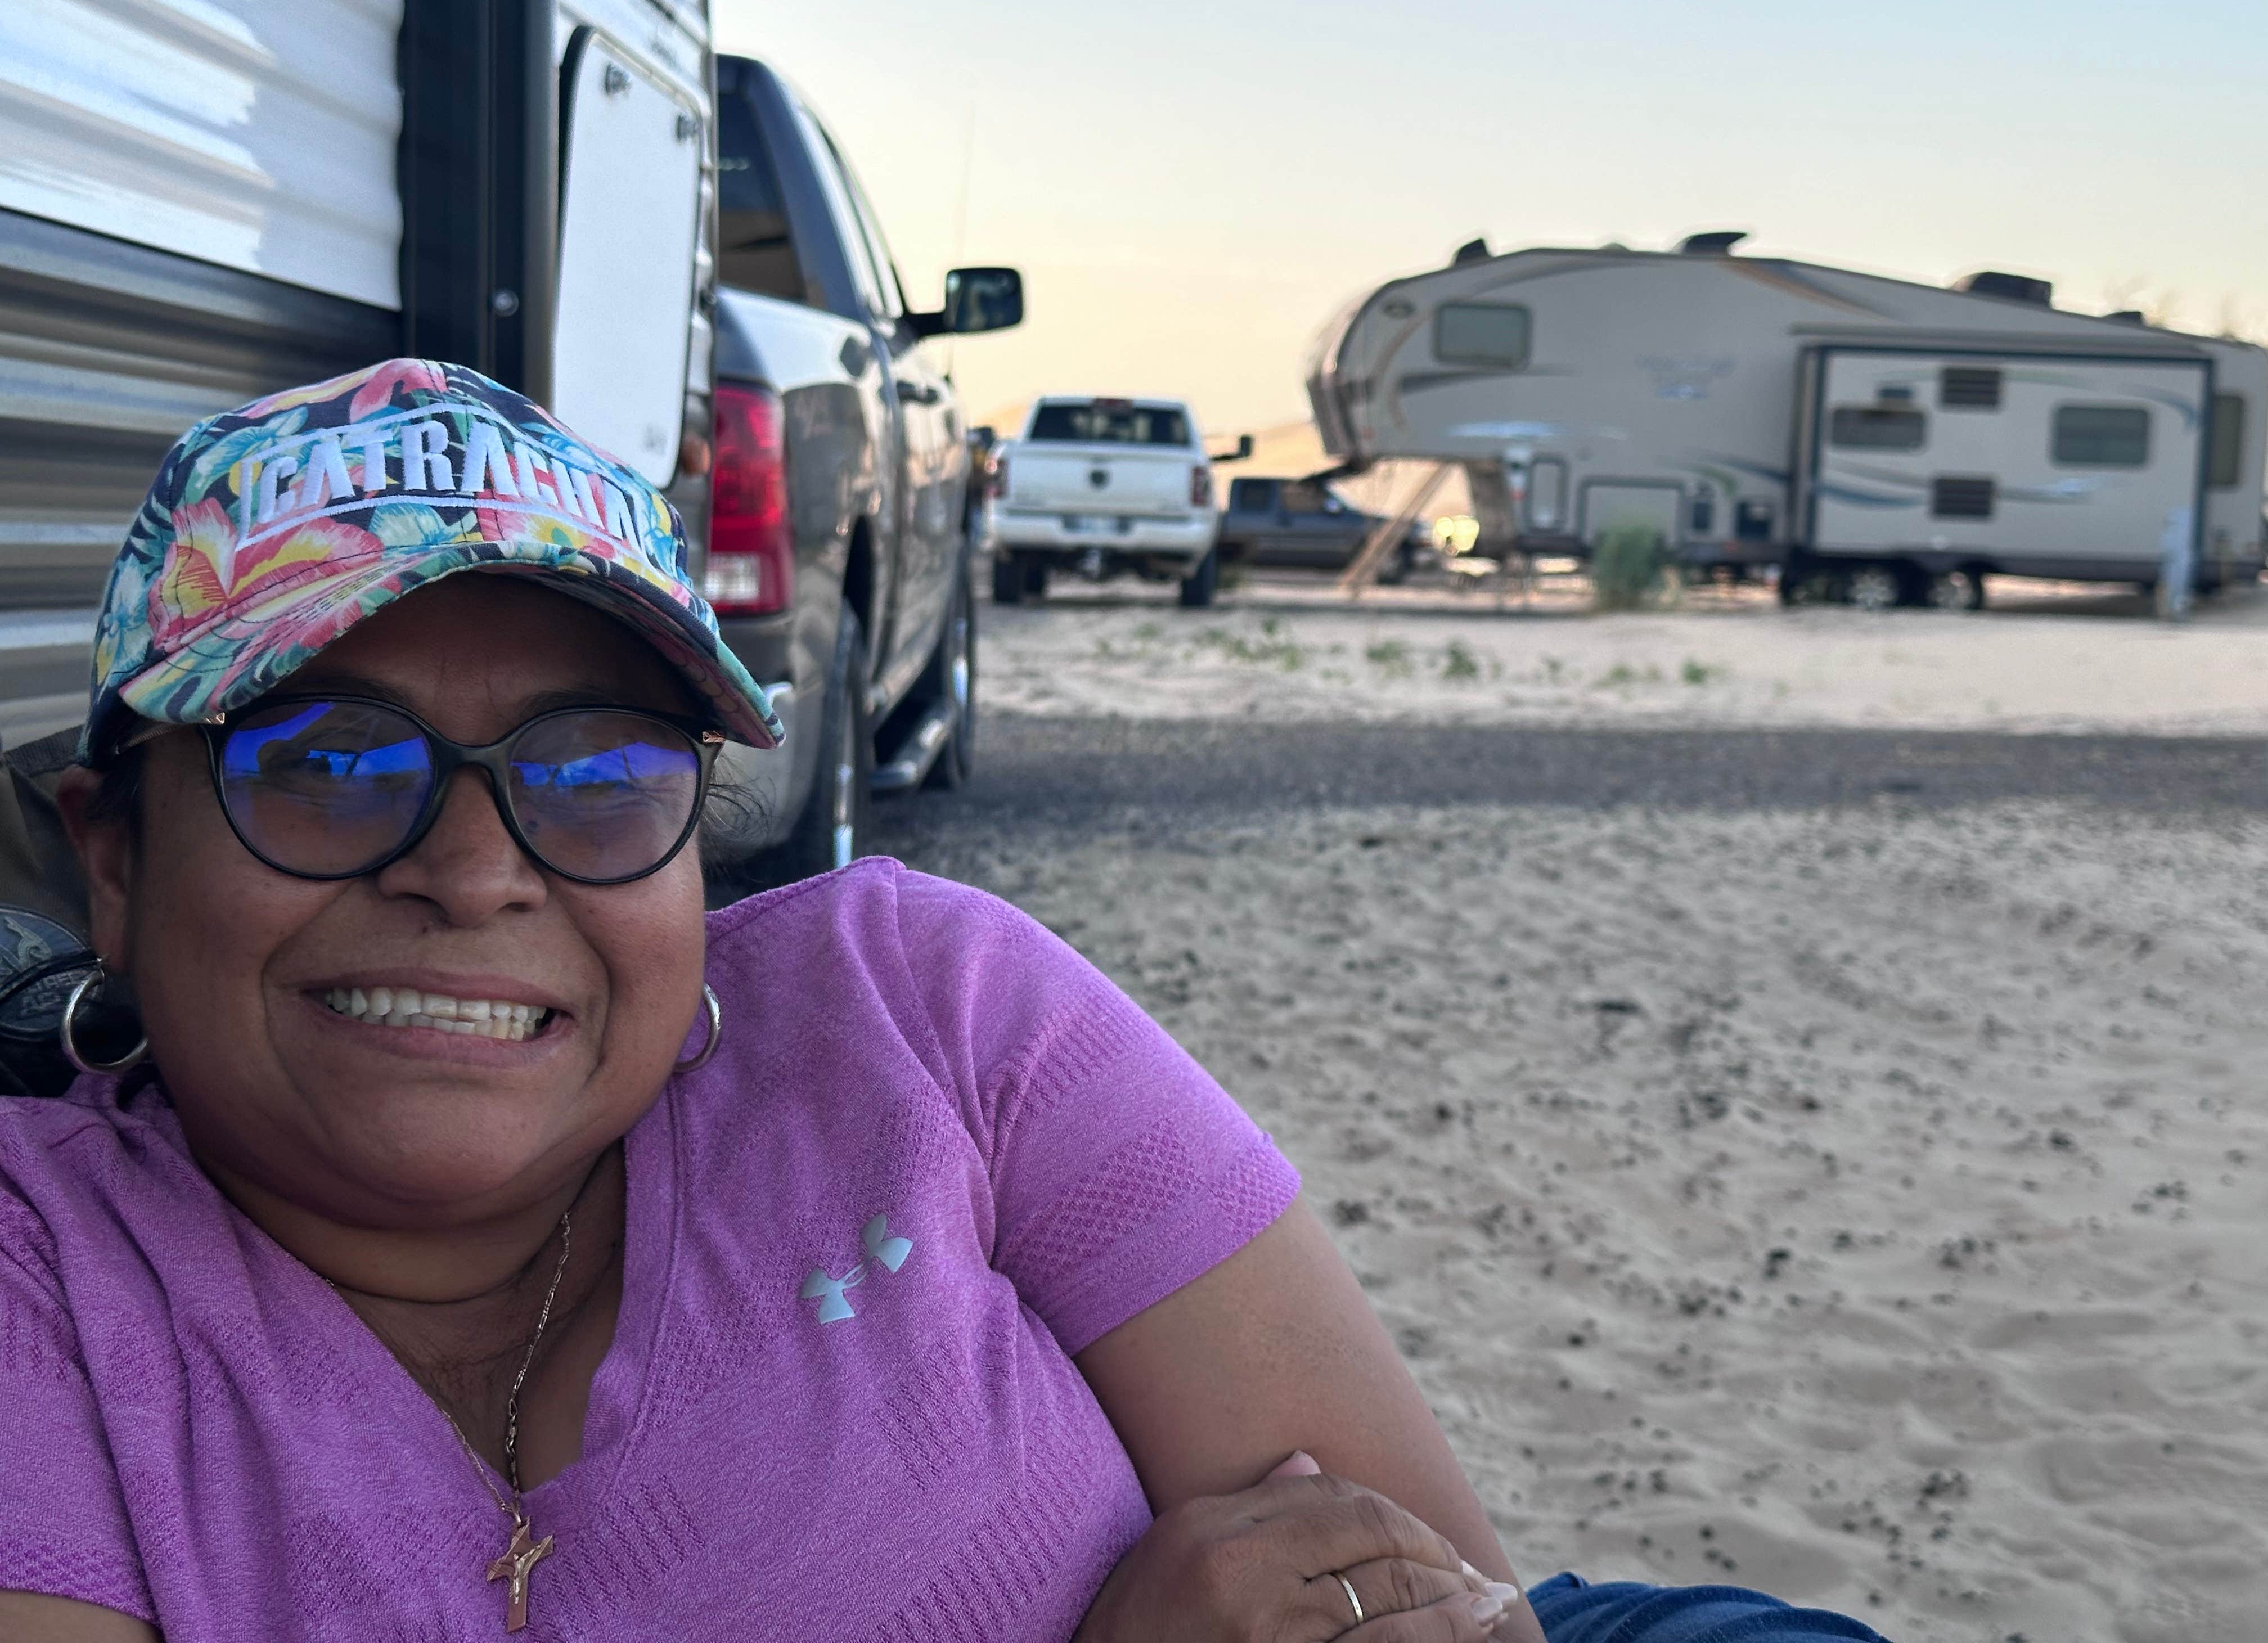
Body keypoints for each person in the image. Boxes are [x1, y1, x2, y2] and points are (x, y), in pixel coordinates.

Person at [0, 361, 1887, 1642]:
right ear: (115, 857)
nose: (479, 871)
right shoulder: (45, 1287)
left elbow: (1429, 1604)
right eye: (328, 763)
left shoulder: (922, 1007)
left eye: (598, 773)